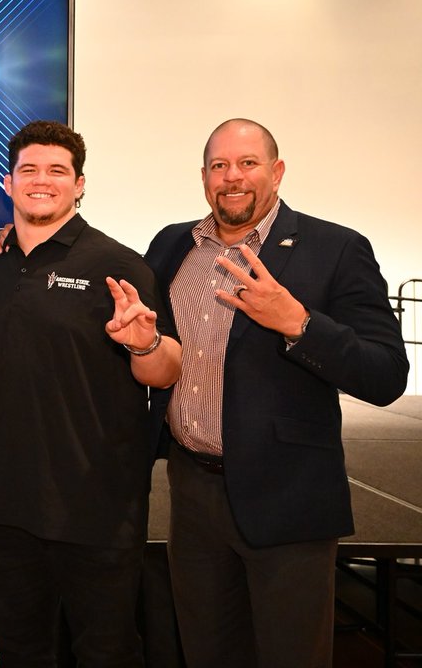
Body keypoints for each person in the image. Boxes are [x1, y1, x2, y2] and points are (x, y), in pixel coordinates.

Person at [146, 118, 408, 668]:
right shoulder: (172, 245)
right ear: (203, 177)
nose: (232, 177)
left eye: (247, 163)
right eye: (219, 165)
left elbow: (386, 375)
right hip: (192, 493)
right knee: (206, 653)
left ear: (277, 171)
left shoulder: (335, 248)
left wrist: (298, 323)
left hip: (288, 497)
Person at [0, 120, 181, 667]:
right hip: (1, 508)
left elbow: (167, 369)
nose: (42, 181)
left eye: (57, 171)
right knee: (18, 651)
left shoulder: (120, 267)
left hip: (96, 509)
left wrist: (144, 343)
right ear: (8, 182)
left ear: (79, 184)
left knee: (105, 654)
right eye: (29, 170)